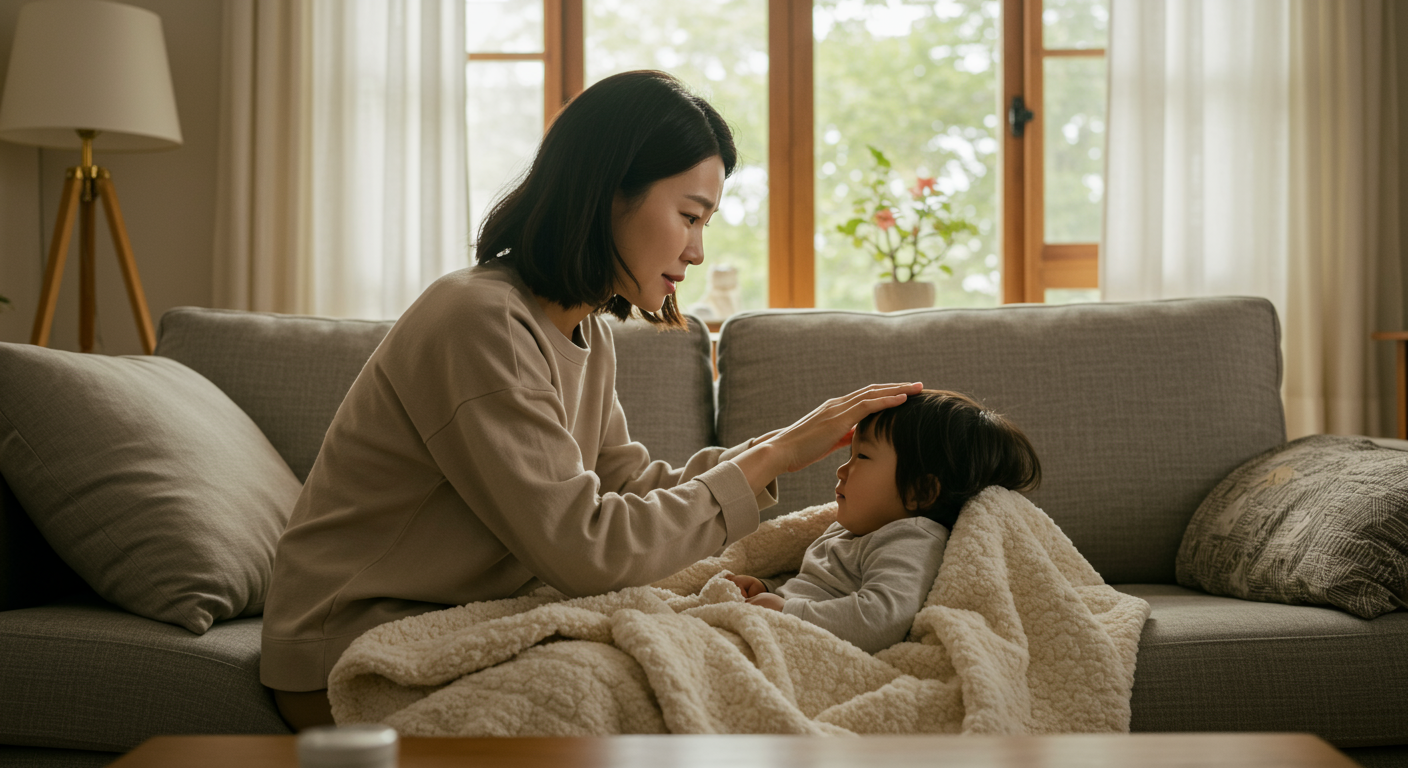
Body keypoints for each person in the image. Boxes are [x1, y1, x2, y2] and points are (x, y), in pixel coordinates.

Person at [258, 70, 922, 729]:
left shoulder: (586, 333)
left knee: (709, 642)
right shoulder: (478, 321)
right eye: (689, 216)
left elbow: (625, 487)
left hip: (454, 618)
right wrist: (774, 455)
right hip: (353, 648)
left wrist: (782, 448)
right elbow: (588, 550)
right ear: (608, 195)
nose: (695, 250)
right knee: (635, 676)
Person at [726, 390, 1041, 654]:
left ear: (921, 491)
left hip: (808, 646)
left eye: (861, 457)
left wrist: (786, 610)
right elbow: (821, 585)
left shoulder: (911, 538)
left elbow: (880, 619)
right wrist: (770, 588)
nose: (842, 470)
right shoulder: (855, 528)